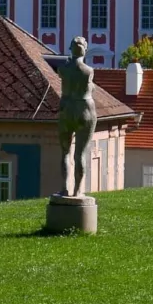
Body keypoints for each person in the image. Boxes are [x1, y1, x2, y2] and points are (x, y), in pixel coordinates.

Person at [57, 35, 97, 196]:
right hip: (85, 109)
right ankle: (78, 190)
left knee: (65, 152)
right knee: (80, 153)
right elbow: (91, 89)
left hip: (67, 108)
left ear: (70, 49)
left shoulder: (63, 69)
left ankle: (64, 188)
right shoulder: (89, 71)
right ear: (85, 50)